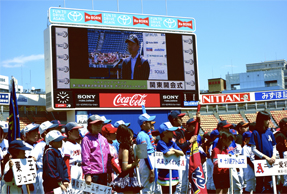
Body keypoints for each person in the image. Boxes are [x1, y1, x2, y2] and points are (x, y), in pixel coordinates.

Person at [249, 111, 277, 194]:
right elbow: (253, 149)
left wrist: (274, 156)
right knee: (260, 184)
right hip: (260, 162)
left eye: (269, 119)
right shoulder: (255, 133)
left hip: (271, 161)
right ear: (261, 121)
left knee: (270, 183)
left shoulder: (270, 132)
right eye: (267, 120)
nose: (269, 122)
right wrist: (266, 157)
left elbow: (274, 145)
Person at [81, 115, 112, 186]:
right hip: (93, 174)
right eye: (95, 124)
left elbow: (108, 157)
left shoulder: (103, 139)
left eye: (100, 124)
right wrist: (88, 174)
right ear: (90, 126)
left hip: (104, 173)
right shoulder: (86, 139)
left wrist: (110, 172)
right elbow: (85, 158)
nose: (98, 126)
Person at [30, 121, 59, 194]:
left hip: (55, 173)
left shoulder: (54, 144)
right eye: (51, 129)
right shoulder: (40, 145)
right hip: (43, 172)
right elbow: (32, 158)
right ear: (45, 133)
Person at [113, 124, 142, 194]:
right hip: (127, 178)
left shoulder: (122, 147)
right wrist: (134, 163)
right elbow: (125, 167)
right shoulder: (125, 149)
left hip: (129, 176)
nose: (132, 139)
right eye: (131, 137)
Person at [136, 113, 161, 194]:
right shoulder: (141, 135)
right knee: (147, 189)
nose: (151, 123)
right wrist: (151, 169)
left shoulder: (145, 134)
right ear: (144, 123)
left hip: (150, 159)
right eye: (149, 121)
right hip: (147, 161)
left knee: (152, 189)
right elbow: (144, 154)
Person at [156, 122, 184, 194]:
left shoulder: (172, 143)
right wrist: (174, 152)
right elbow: (167, 153)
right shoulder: (160, 143)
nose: (173, 133)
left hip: (174, 173)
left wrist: (173, 150)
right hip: (165, 175)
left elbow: (181, 153)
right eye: (171, 131)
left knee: (173, 191)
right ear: (165, 133)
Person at [62, 122, 83, 194]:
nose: (78, 132)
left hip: (79, 168)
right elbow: (66, 161)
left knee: (80, 191)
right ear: (69, 133)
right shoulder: (67, 144)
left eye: (78, 130)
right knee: (72, 191)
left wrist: (83, 174)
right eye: (76, 130)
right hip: (72, 168)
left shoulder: (78, 144)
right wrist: (68, 177)